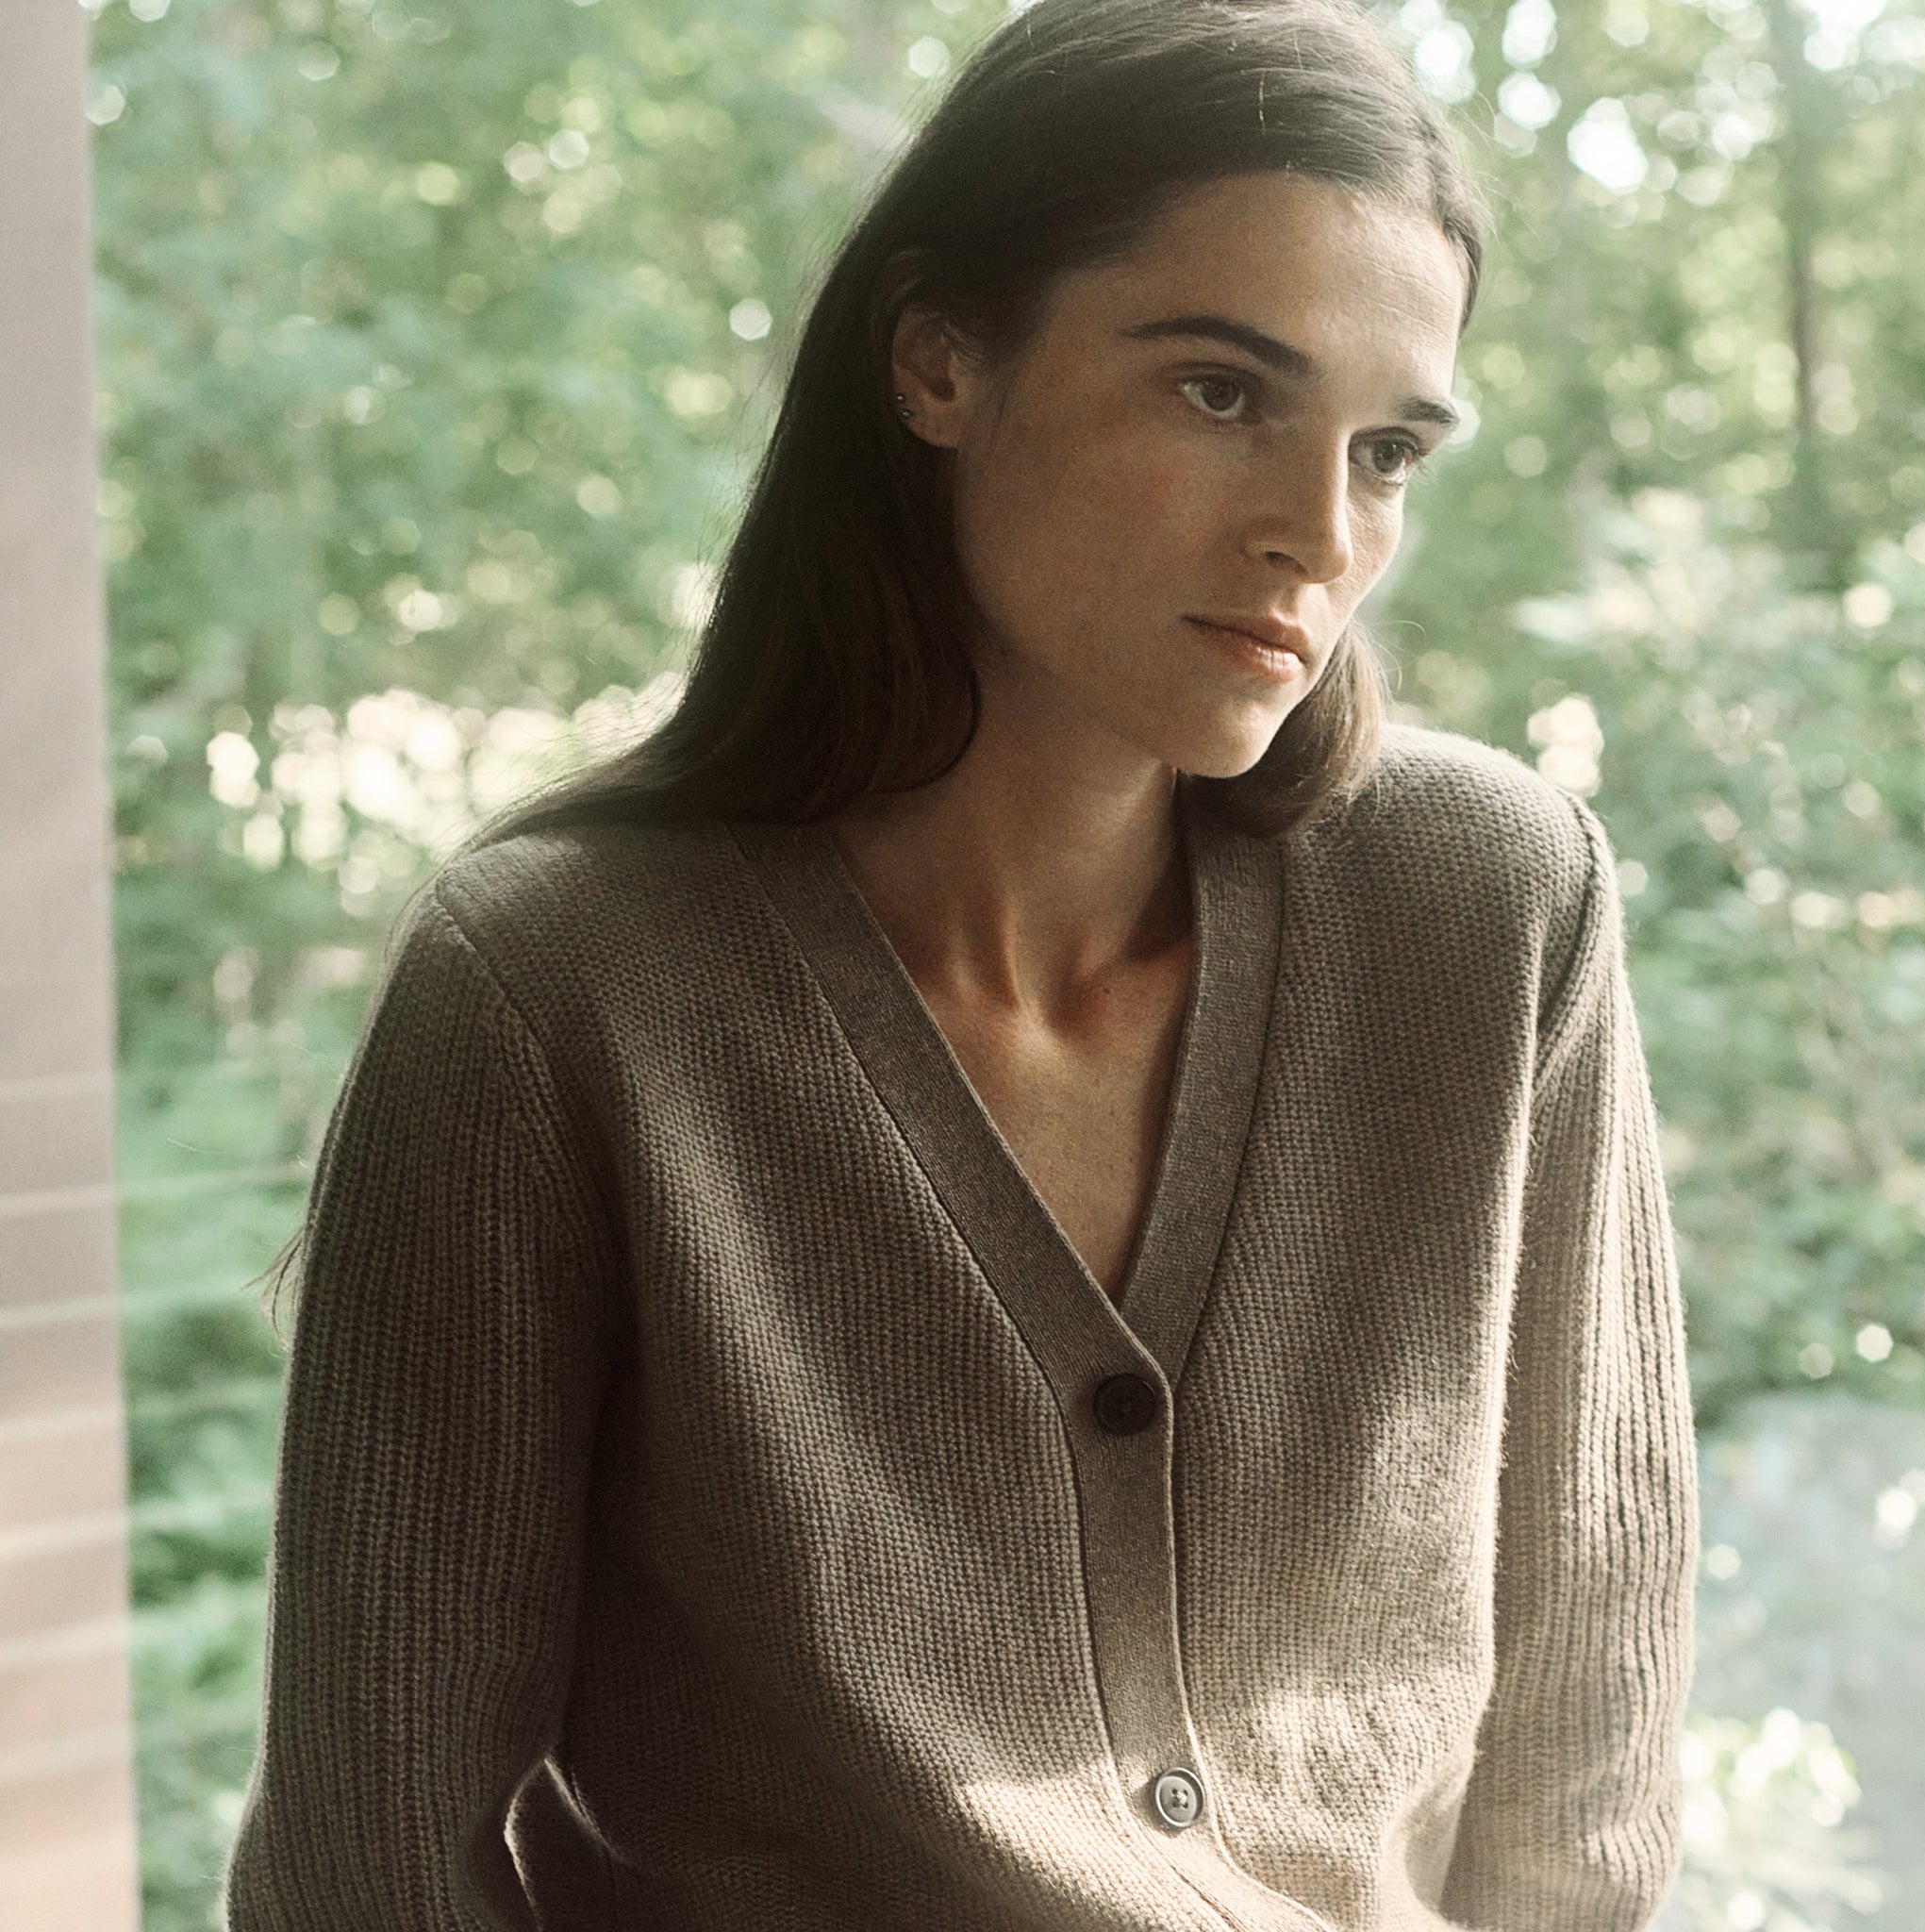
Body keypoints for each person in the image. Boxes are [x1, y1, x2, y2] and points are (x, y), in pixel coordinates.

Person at [224, 2, 1699, 1927]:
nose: (1316, 533)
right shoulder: (559, 989)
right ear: (938, 359)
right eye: (1218, 393)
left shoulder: (1488, 908)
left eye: (1390, 449)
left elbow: (1586, 1757)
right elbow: (368, 1860)